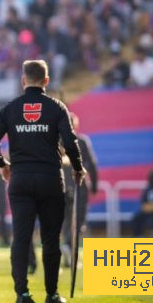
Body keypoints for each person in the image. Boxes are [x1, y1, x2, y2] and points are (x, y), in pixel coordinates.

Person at [0, 59, 86, 303]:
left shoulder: (10, 109)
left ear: (23, 80)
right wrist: (77, 167)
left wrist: (3, 164)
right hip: (50, 179)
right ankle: (52, 295)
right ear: (46, 81)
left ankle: (22, 294)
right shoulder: (56, 107)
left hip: (19, 179)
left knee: (21, 238)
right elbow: (71, 142)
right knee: (51, 239)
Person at [61, 113, 98, 265]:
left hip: (61, 185)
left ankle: (67, 253)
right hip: (79, 186)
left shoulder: (56, 141)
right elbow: (92, 165)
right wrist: (94, 184)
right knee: (78, 221)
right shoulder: (82, 141)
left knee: (65, 221)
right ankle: (69, 247)